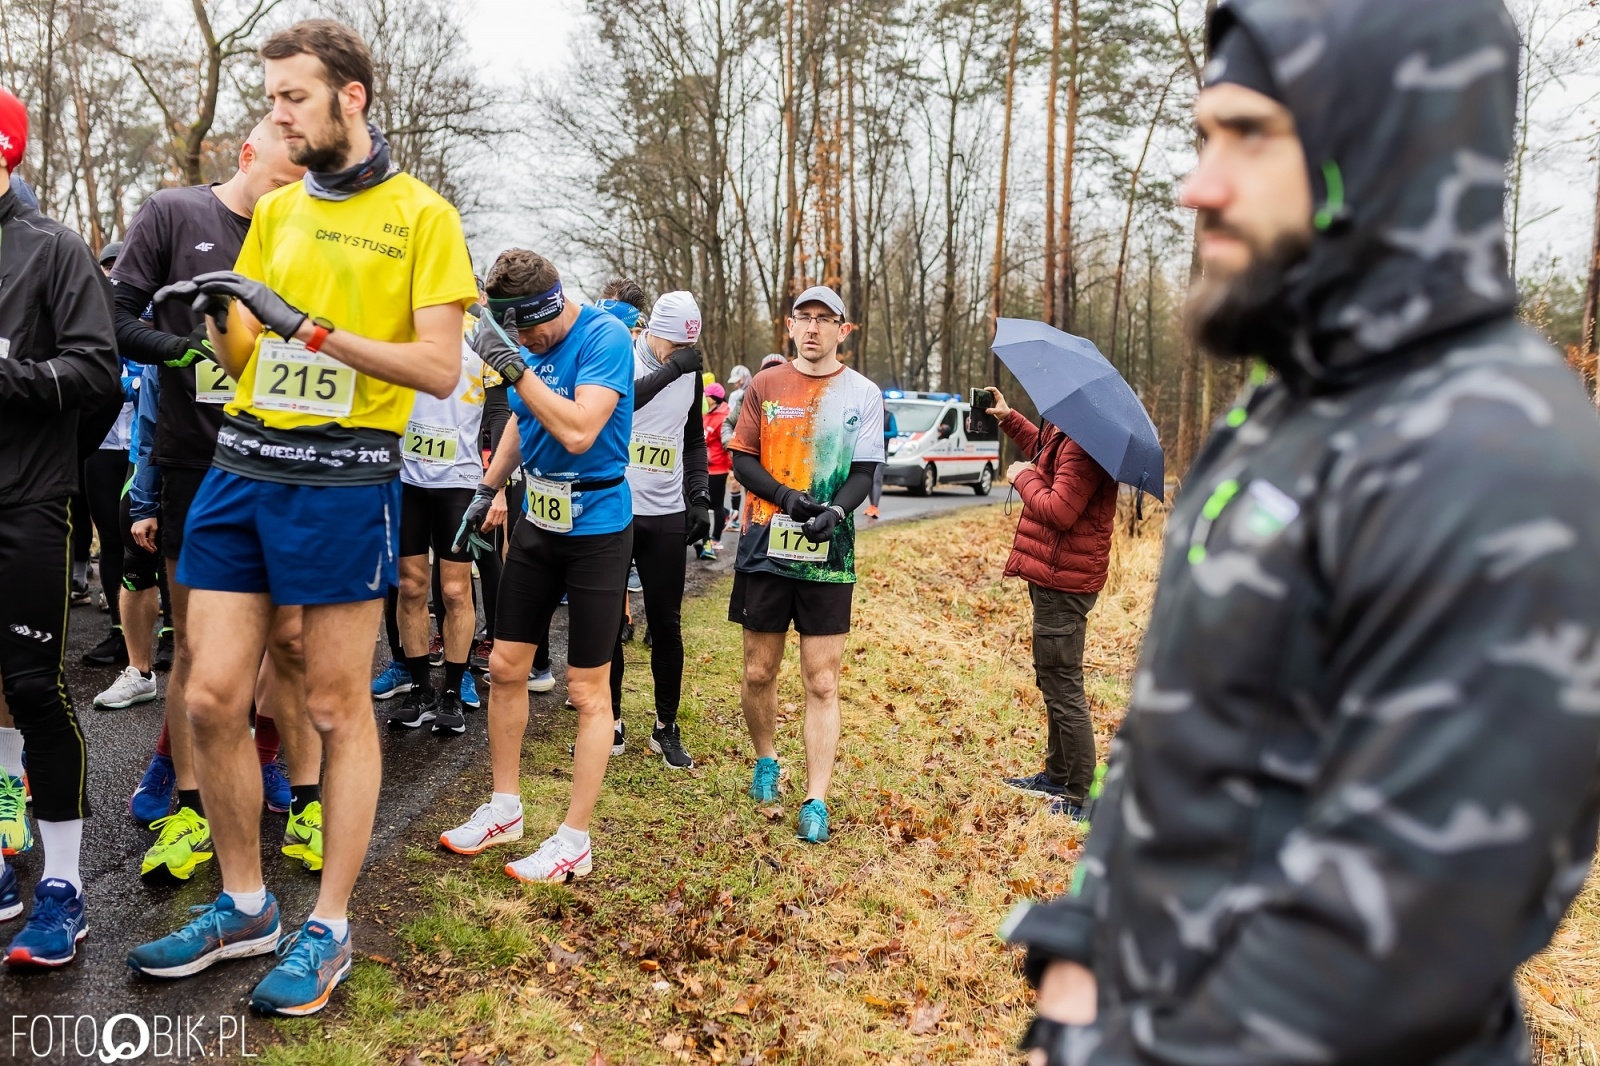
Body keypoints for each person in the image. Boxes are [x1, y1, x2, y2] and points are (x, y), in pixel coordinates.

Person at [1005, 3, 1600, 1063]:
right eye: (1201, 137)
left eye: (1249, 136)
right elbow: (1177, 731)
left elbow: (1416, 929)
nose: (1199, 185)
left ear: (1378, 149)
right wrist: (1083, 942)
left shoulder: (1497, 457)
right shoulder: (1278, 413)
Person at [125, 19, 476, 1017]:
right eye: (272, 99)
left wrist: (308, 327)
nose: (276, 116)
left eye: (291, 98)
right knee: (208, 697)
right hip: (241, 463)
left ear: (349, 97)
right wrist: (219, 320)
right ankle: (244, 905)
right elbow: (253, 362)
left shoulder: (422, 216)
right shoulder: (275, 214)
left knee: (330, 706)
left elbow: (438, 368)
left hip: (342, 476)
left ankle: (327, 925)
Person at [109, 116, 309, 880]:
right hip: (198, 460)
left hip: (286, 457)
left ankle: (291, 781)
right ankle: (187, 800)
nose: (294, 193)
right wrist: (182, 349)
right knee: (197, 645)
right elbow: (116, 320)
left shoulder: (306, 236)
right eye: (286, 177)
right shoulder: (174, 213)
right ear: (248, 154)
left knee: (287, 641)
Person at [442, 249, 634, 883]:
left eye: (528, 330)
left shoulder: (604, 336)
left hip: (598, 528)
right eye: (513, 333)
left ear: (549, 307)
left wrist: (518, 369)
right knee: (503, 665)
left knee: (585, 688)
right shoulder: (525, 346)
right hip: (538, 519)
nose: (522, 341)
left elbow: (578, 430)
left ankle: (574, 839)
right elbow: (527, 425)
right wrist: (486, 487)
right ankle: (505, 808)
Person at [0, 86, 121, 965]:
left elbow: (96, 370)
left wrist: (10, 381)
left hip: (28, 499)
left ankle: (64, 884)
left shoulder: (54, 250)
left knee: (35, 686)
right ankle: (6, 849)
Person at [727, 286, 883, 845]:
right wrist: (788, 499)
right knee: (758, 672)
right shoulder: (764, 387)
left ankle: (816, 798)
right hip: (765, 545)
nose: (813, 328)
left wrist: (835, 511)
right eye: (804, 318)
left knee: (821, 679)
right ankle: (766, 758)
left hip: (828, 552)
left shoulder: (863, 393)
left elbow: (865, 471)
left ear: (844, 330)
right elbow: (742, 460)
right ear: (790, 327)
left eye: (826, 319)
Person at [987, 383, 1115, 818]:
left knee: (1063, 682)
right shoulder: (1070, 429)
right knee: (1052, 676)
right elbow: (1044, 455)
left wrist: (1020, 477)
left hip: (1066, 582)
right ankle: (1058, 775)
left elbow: (1060, 509)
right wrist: (1009, 418)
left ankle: (1081, 794)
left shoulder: (1085, 442)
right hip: (1053, 574)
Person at [383, 312, 507, 735]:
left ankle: (453, 689)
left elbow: (500, 414)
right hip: (405, 478)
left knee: (455, 589)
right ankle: (420, 689)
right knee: (411, 584)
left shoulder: (480, 335)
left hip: (459, 481)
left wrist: (497, 485)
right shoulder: (401, 327)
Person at [610, 290, 711, 769]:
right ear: (651, 333)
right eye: (671, 346)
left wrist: (699, 497)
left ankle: (665, 727)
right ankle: (608, 722)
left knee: (667, 625)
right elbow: (621, 405)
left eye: (684, 349)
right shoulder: (620, 356)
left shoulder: (688, 375)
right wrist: (673, 369)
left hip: (665, 513)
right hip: (614, 510)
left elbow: (692, 440)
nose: (678, 355)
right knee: (608, 622)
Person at [80, 241, 142, 669]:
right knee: (112, 536)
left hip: (141, 443)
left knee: (148, 537)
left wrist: (128, 383)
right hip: (100, 444)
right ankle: (118, 635)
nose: (113, 275)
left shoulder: (149, 313)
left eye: (120, 268)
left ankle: (169, 632)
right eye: (107, 268)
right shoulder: (89, 312)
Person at [702, 381, 732, 555]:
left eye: (707, 396)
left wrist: (731, 468)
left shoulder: (723, 417)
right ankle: (707, 538)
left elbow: (727, 444)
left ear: (714, 398)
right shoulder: (708, 414)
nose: (705, 399)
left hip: (717, 468)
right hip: (705, 468)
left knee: (717, 504)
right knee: (706, 503)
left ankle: (716, 539)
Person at [864, 398, 897, 520]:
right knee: (868, 479)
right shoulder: (869, 415)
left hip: (882, 451)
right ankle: (871, 505)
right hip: (868, 451)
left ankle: (875, 506)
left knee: (877, 478)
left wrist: (879, 434)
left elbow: (894, 432)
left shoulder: (889, 416)